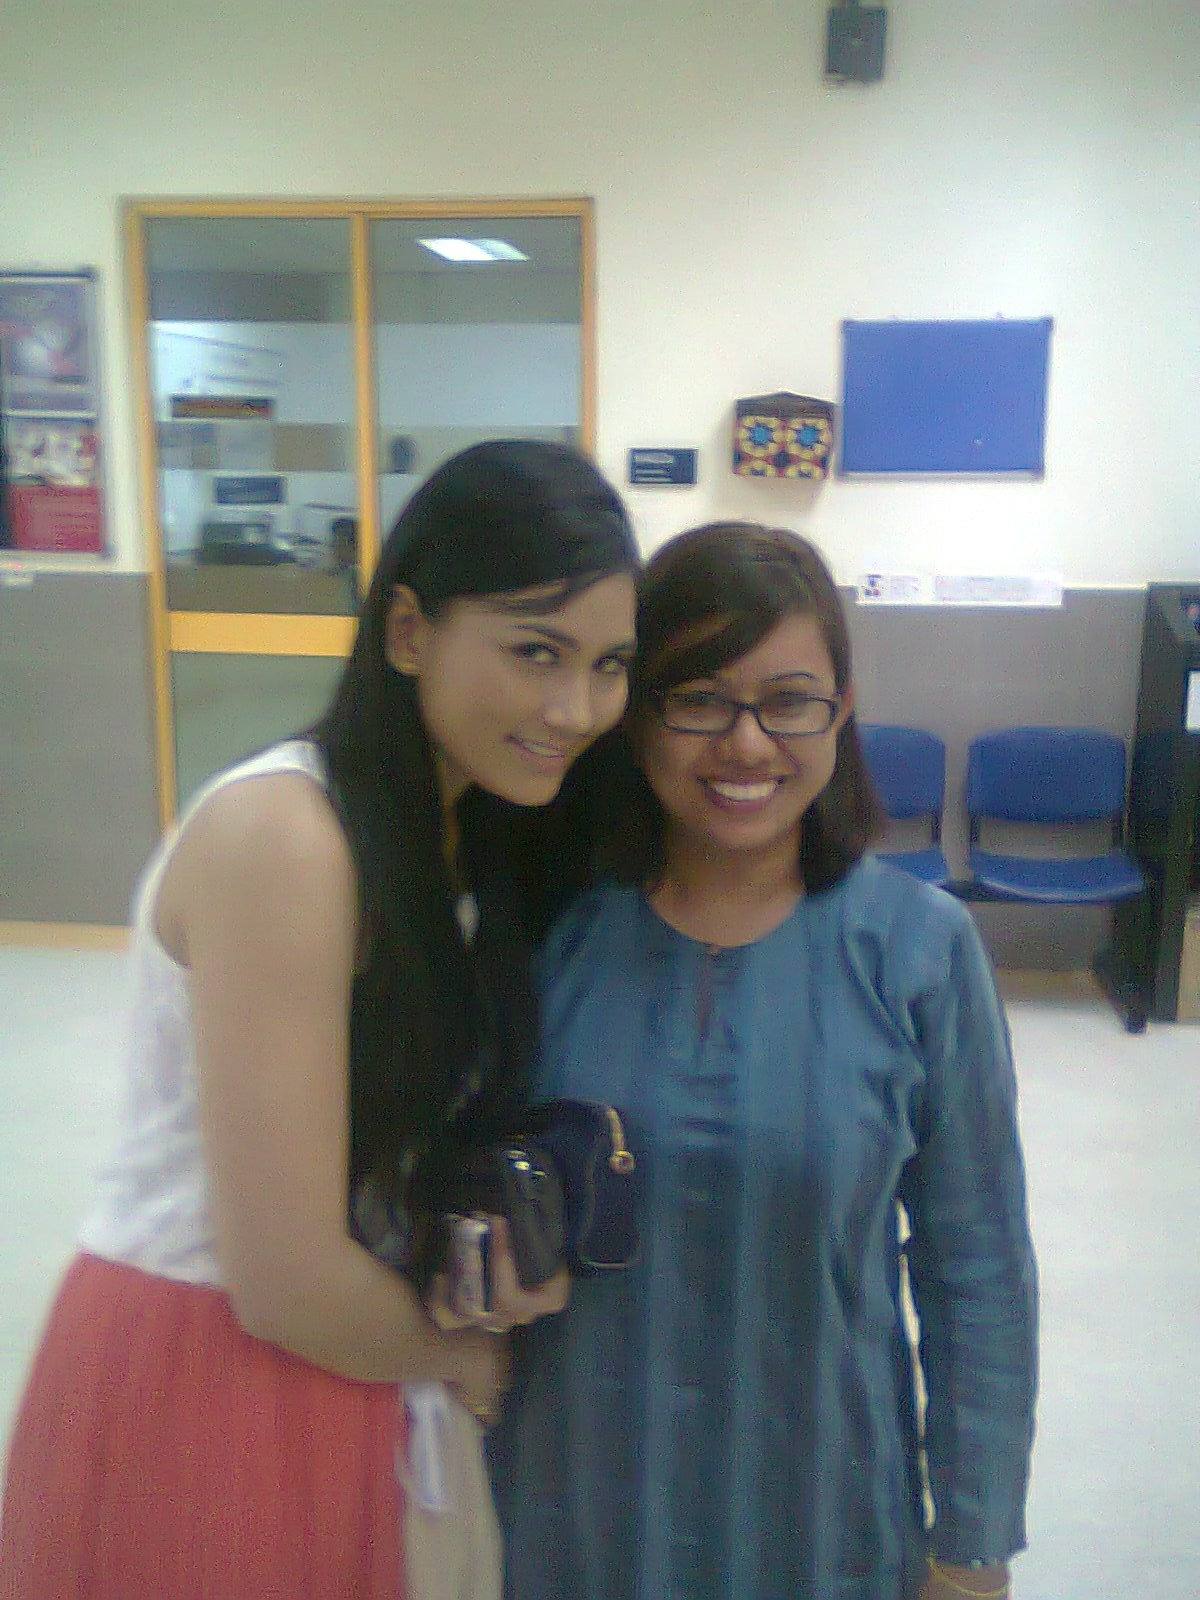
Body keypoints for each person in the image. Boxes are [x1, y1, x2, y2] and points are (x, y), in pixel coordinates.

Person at [0, 440, 639, 1600]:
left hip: (356, 1356)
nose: (576, 707)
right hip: (212, 1370)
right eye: (535, 651)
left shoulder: (467, 835)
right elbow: (283, 1276)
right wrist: (467, 1356)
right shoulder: (287, 837)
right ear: (407, 631)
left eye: (609, 665)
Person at [491, 522, 1038, 1600]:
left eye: (790, 701)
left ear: (842, 711)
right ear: (635, 713)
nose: (746, 744)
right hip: (570, 1516)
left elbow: (977, 1270)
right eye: (698, 698)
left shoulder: (918, 950)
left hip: (823, 1511)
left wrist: (973, 1546)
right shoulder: (547, 937)